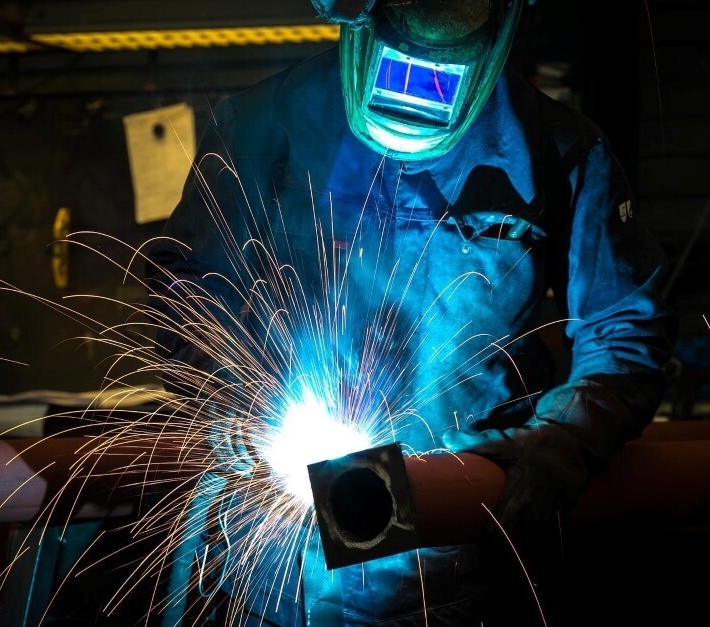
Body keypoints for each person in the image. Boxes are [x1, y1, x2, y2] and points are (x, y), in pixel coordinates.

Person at [144, 1, 678, 625]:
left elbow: (625, 333)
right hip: (280, 567)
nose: (415, 96)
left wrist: (560, 440)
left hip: (457, 558)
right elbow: (187, 289)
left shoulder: (559, 151)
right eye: (398, 68)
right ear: (362, 25)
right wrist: (227, 399)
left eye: (440, 77)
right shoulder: (267, 123)